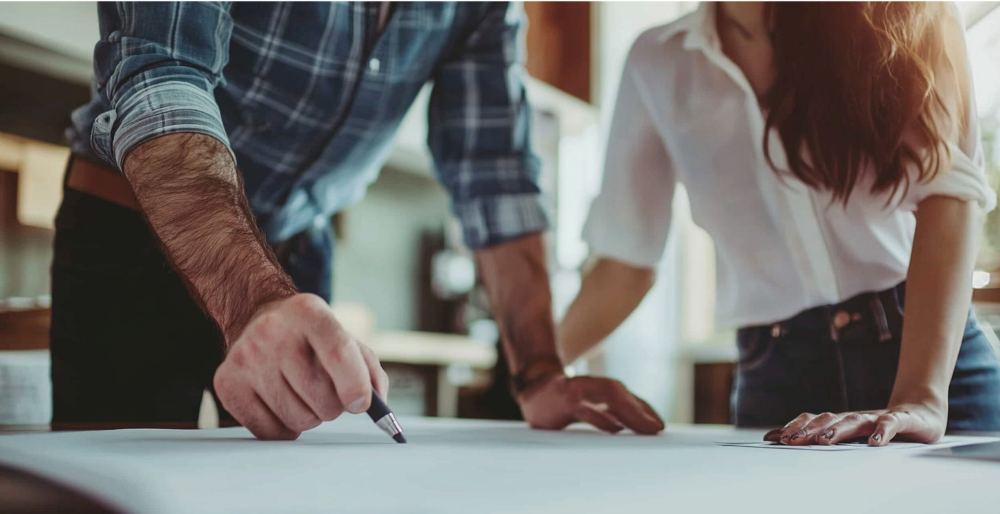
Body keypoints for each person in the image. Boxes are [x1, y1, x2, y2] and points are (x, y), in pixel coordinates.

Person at [54, 0, 665, 439]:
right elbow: (163, 70)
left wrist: (537, 374)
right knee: (116, 513)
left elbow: (494, 170)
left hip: (295, 258)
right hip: (138, 225)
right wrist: (251, 302)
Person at [559, 0, 1000, 445]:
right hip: (779, 380)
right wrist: (538, 374)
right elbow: (624, 266)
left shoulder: (907, 13)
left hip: (934, 367)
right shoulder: (657, 61)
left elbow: (952, 196)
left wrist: (920, 397)